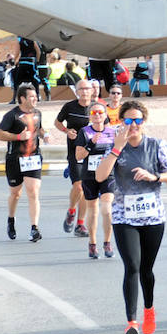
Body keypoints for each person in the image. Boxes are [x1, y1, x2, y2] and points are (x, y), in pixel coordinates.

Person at [95, 101, 167, 334]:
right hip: (124, 217)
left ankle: (149, 310)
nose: (133, 125)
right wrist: (116, 149)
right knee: (132, 266)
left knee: (146, 269)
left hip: (153, 216)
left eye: (137, 120)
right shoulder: (115, 147)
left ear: (144, 122)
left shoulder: (156, 145)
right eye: (128, 120)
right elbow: (100, 176)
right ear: (121, 122)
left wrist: (155, 176)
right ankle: (131, 322)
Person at [0, 84, 50, 242]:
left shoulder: (38, 113)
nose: (35, 99)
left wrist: (45, 134)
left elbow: (39, 129)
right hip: (15, 159)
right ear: (22, 98)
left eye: (36, 96)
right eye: (32, 97)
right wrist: (18, 137)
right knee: (16, 194)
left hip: (33, 157)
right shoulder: (11, 115)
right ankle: (11, 220)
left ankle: (34, 228)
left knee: (33, 192)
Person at [75, 101, 117, 259]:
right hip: (90, 175)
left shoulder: (113, 132)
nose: (97, 115)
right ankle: (92, 244)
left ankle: (107, 242)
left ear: (106, 115)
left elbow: (119, 153)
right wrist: (90, 145)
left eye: (100, 112)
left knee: (106, 209)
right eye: (94, 113)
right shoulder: (84, 132)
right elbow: (78, 156)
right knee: (93, 210)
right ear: (89, 116)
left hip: (108, 175)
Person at [55, 79, 97, 237]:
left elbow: (105, 127)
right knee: (78, 186)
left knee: (86, 189)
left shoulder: (96, 108)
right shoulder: (70, 107)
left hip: (92, 153)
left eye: (87, 89)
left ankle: (80, 225)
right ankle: (72, 211)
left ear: (92, 91)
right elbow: (57, 122)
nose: (85, 91)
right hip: (75, 152)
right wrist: (67, 131)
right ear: (77, 91)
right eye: (81, 89)